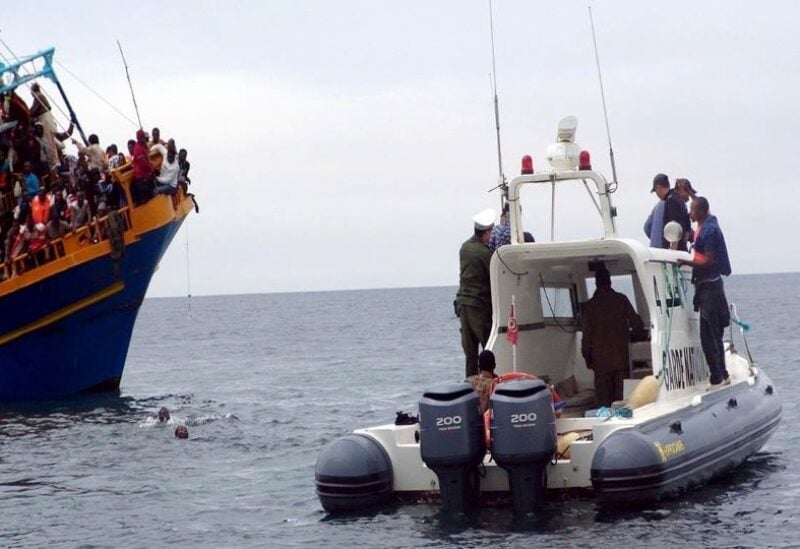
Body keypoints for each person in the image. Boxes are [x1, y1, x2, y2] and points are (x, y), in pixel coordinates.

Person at [678, 197, 732, 386]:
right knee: (714, 333)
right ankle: (723, 373)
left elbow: (708, 261)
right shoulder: (705, 226)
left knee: (708, 335)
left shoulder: (709, 230)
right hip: (708, 287)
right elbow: (697, 239)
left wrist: (685, 262)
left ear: (700, 211)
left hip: (710, 288)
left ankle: (717, 376)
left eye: (692, 210)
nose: (690, 213)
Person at [581, 266, 645, 407]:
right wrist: (632, 337)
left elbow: (586, 338)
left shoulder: (590, 306)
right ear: (610, 281)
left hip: (600, 365)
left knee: (603, 406)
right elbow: (637, 325)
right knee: (623, 403)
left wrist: (588, 359)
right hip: (622, 361)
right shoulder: (621, 300)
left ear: (596, 283)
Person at [456, 208, 495, 377]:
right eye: (491, 232)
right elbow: (493, 276)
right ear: (486, 233)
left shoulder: (464, 248)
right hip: (479, 307)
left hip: (463, 304)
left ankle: (470, 387)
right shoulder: (485, 253)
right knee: (489, 349)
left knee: (470, 353)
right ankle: (491, 387)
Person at [645, 173, 691, 250]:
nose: (657, 194)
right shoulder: (679, 201)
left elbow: (674, 229)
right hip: (681, 250)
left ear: (659, 188)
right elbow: (687, 230)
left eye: (655, 191)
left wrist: (672, 251)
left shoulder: (670, 202)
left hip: (671, 252)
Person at [131, 129, 154, 205]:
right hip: (142, 176)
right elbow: (143, 163)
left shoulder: (142, 146)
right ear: (140, 138)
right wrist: (151, 170)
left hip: (144, 175)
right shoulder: (138, 148)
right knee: (146, 196)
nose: (145, 139)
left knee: (149, 194)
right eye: (143, 138)